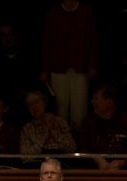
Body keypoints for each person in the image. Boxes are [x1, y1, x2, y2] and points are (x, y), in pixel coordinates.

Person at [40, 0, 99, 132]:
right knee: (60, 107)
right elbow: (47, 41)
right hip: (58, 66)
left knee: (79, 107)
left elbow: (92, 39)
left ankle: (79, 142)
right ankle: (61, 139)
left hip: (80, 66)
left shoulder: (86, 11)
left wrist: (92, 65)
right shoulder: (53, 13)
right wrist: (45, 68)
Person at [77, 83, 127, 170]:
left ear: (109, 102)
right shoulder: (88, 121)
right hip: (92, 171)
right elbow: (81, 148)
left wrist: (123, 162)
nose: (92, 102)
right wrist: (96, 158)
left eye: (96, 99)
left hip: (125, 173)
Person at [18, 89, 76, 166]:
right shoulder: (26, 129)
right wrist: (44, 138)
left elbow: (72, 149)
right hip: (37, 169)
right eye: (30, 105)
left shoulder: (60, 122)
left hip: (61, 166)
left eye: (36, 102)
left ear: (44, 103)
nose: (34, 107)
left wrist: (55, 133)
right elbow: (24, 158)